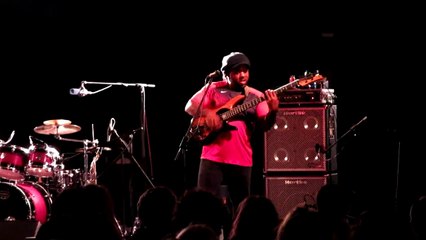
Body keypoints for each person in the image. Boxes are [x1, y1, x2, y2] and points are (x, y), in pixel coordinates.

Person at [184, 51, 279, 216]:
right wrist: (209, 113)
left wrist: (273, 111)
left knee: (241, 211)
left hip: (241, 159)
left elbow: (265, 125)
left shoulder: (256, 96)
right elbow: (190, 107)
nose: (243, 75)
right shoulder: (213, 88)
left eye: (245, 70)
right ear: (226, 74)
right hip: (212, 158)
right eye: (237, 71)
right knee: (204, 207)